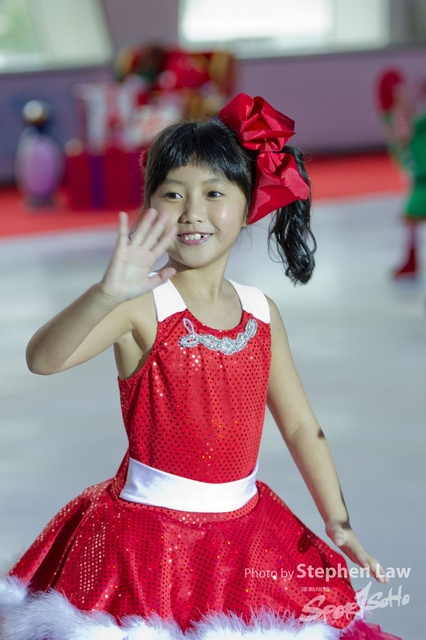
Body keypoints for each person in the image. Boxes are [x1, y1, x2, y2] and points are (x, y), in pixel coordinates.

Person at [0, 94, 402, 640]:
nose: (191, 211)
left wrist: (338, 520)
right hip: (144, 542)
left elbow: (300, 424)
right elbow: (42, 360)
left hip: (247, 532)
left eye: (213, 193)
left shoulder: (261, 312)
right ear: (149, 206)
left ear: (248, 201)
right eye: (172, 194)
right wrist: (104, 294)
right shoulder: (142, 306)